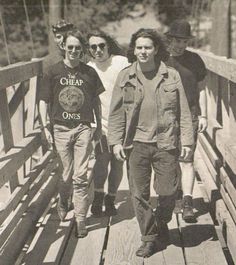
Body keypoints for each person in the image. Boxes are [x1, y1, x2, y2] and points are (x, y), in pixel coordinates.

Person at [108, 28, 194, 257]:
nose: (143, 51)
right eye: (139, 47)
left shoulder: (171, 75)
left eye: (147, 47)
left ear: (156, 49)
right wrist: (115, 142)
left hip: (166, 142)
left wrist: (187, 141)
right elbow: (116, 113)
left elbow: (183, 110)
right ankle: (149, 238)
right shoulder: (125, 76)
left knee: (168, 191)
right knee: (139, 194)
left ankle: (161, 220)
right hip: (135, 144)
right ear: (134, 50)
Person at [38, 29, 105, 238]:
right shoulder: (52, 71)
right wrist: (45, 127)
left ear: (82, 49)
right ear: (63, 48)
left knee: (80, 176)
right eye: (70, 47)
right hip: (60, 128)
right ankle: (63, 199)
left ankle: (80, 219)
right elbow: (43, 101)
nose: (74, 51)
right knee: (66, 173)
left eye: (78, 48)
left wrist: (99, 126)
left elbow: (95, 101)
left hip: (83, 127)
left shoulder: (89, 73)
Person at [165, 19, 207, 221]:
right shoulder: (160, 59)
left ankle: (188, 202)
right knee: (169, 159)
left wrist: (204, 114)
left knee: (187, 158)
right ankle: (176, 197)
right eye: (178, 41)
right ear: (170, 39)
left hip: (189, 114)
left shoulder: (195, 60)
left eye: (185, 41)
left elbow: (202, 90)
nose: (182, 45)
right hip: (166, 116)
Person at [87, 30, 129, 216]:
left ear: (108, 45)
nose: (98, 50)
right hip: (99, 122)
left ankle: (111, 198)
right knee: (102, 160)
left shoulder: (121, 62)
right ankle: (98, 196)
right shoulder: (88, 67)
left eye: (101, 45)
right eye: (93, 47)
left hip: (122, 121)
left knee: (117, 162)